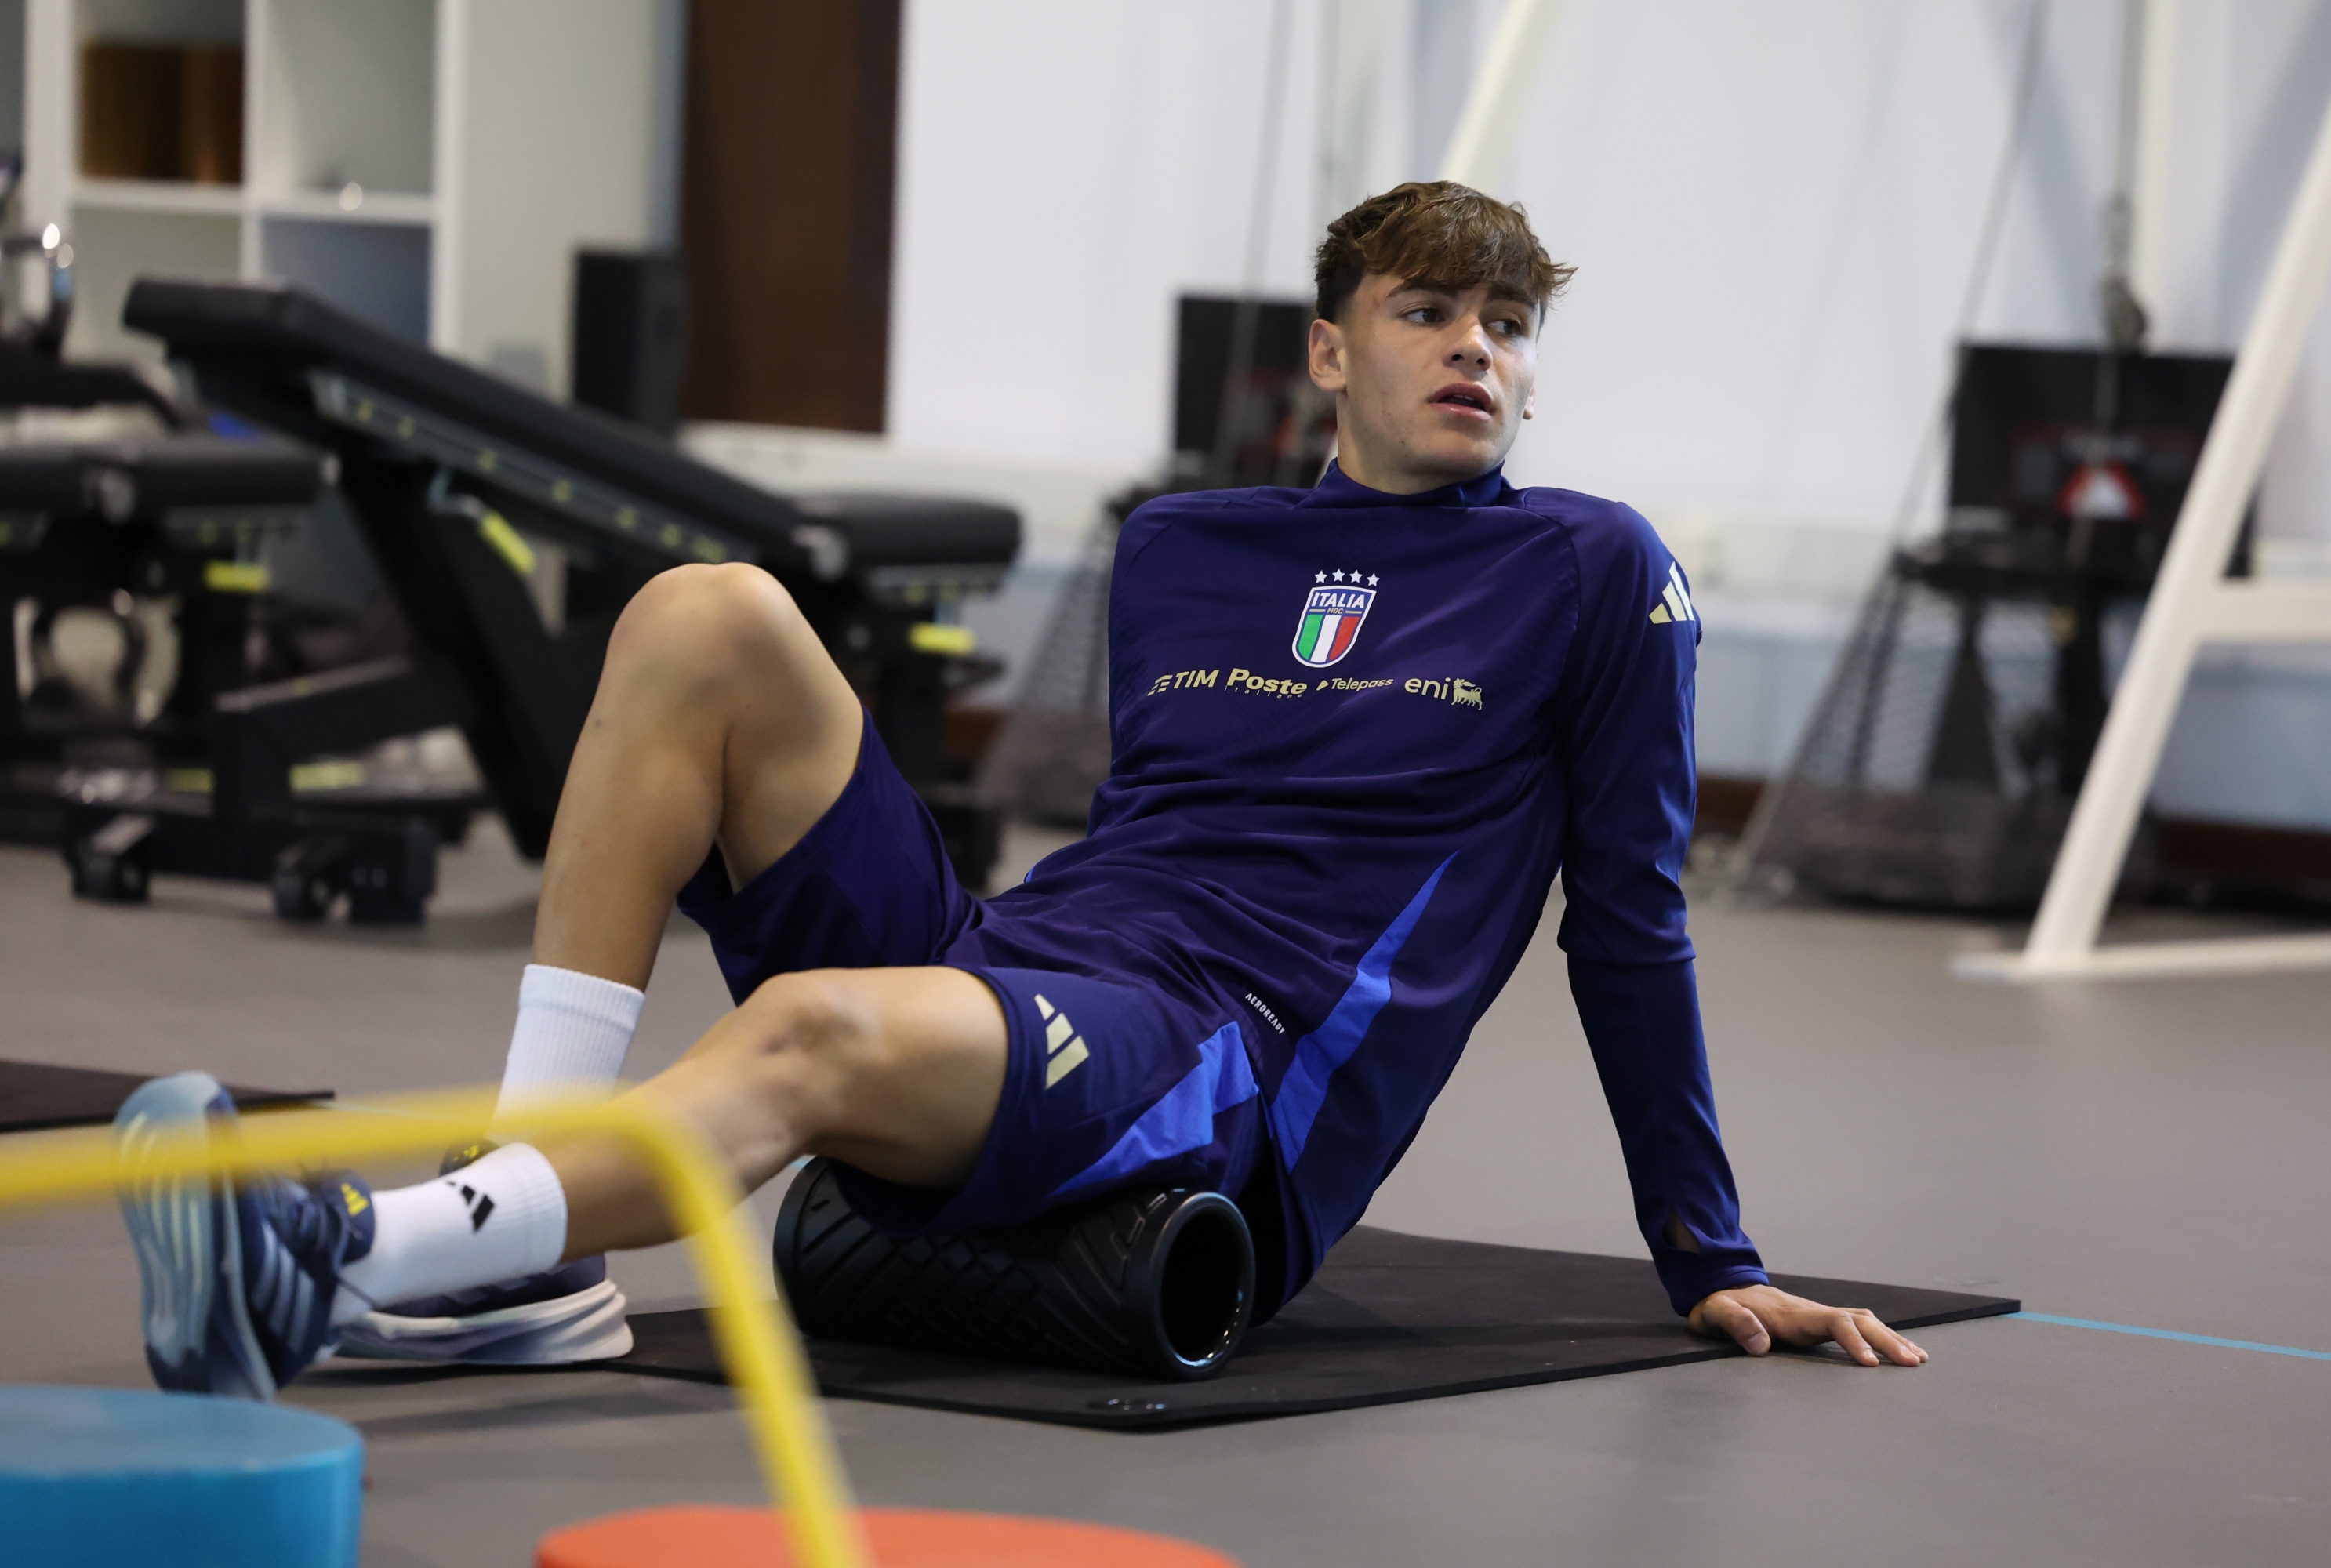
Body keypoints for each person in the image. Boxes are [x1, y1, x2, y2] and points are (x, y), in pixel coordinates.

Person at [115, 181, 1925, 1403]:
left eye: (1510, 324)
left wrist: (1705, 1244)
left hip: (1221, 1059)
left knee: (815, 1027)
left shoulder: (1592, 570)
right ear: (1325, 351)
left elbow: (1629, 918)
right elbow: (1157, 841)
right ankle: (517, 1235)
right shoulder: (1182, 548)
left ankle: (364, 1259)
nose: (1478, 348)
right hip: (1040, 960)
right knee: (703, 615)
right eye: (1428, 308)